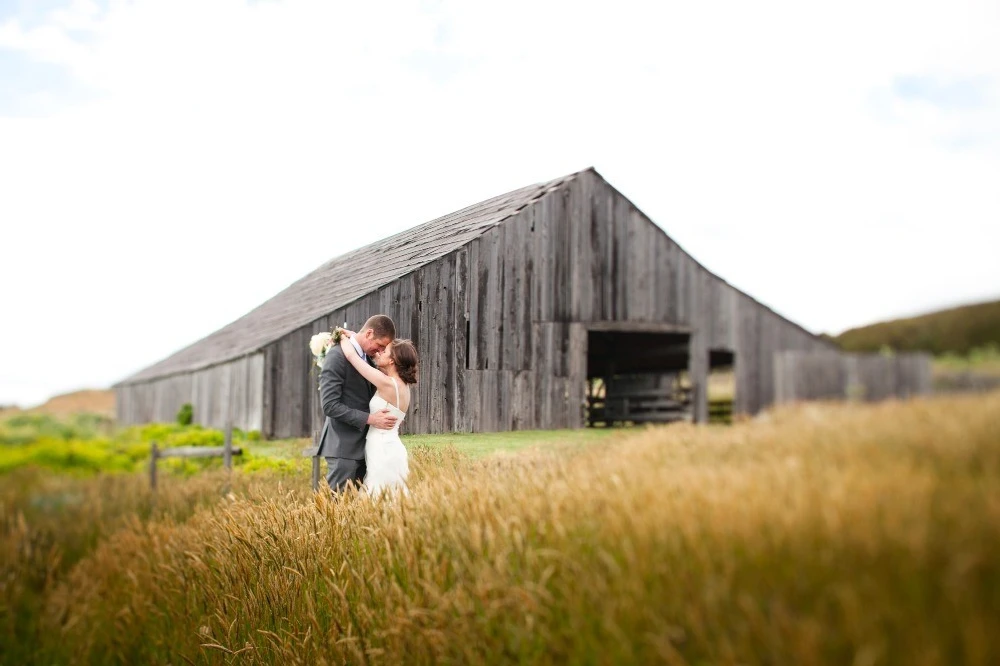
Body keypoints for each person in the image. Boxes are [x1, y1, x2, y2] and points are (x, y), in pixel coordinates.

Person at [318, 315, 396, 493]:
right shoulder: (336, 357)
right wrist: (371, 419)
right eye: (380, 345)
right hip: (343, 449)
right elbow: (330, 405)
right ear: (369, 333)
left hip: (365, 448)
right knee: (338, 509)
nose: (380, 351)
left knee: (357, 510)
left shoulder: (365, 357)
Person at [338, 329, 418, 497]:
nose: (380, 352)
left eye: (385, 351)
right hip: (390, 446)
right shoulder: (401, 385)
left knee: (378, 494)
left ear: (392, 360)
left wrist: (341, 337)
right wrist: (356, 335)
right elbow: (371, 357)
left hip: (382, 448)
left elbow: (353, 358)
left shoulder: (387, 383)